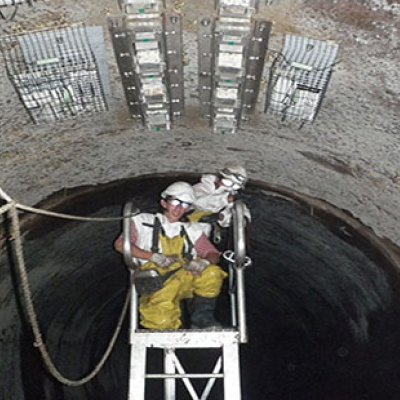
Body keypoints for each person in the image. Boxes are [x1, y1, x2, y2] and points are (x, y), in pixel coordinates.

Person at [114, 181, 227, 330]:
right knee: (162, 321)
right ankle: (163, 339)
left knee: (212, 273)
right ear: (164, 202)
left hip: (185, 274)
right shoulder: (142, 221)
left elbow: (212, 253)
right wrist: (153, 257)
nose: (179, 208)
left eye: (185, 204)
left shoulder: (192, 230)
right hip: (156, 279)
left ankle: (202, 321)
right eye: (175, 202)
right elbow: (121, 245)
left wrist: (204, 263)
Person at [190, 162, 250, 228]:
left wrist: (223, 216)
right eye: (228, 182)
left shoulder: (233, 198)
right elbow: (198, 202)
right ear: (218, 178)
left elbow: (241, 219)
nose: (229, 188)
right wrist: (225, 199)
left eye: (235, 186)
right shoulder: (202, 187)